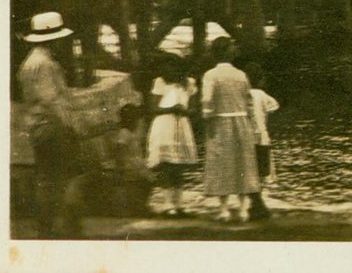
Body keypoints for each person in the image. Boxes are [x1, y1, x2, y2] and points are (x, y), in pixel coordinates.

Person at [17, 12, 84, 237]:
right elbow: (52, 100)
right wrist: (71, 126)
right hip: (52, 125)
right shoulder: (47, 64)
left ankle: (45, 227)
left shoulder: (28, 64)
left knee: (45, 177)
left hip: (36, 125)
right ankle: (66, 226)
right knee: (68, 175)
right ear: (53, 38)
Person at [201, 37, 260, 222]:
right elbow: (249, 101)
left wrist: (208, 119)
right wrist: (251, 123)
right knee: (243, 164)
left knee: (222, 163)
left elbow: (207, 100)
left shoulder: (211, 75)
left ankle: (224, 210)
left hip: (221, 122)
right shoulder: (241, 74)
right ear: (230, 52)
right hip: (241, 122)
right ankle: (243, 209)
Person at [146, 54, 199, 216]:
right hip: (164, 125)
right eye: (163, 66)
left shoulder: (189, 83)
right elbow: (153, 108)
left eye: (170, 66)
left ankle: (179, 204)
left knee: (178, 166)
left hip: (181, 125)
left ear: (178, 68)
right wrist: (172, 109)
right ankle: (168, 205)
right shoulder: (160, 82)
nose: (166, 70)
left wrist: (186, 111)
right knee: (166, 165)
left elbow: (194, 109)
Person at [243, 62, 279, 221]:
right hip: (261, 136)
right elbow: (272, 109)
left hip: (246, 136)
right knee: (261, 171)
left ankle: (253, 203)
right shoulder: (262, 95)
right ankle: (257, 203)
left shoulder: (243, 94)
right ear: (261, 79)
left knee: (249, 170)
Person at [111, 103, 154, 216]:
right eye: (137, 120)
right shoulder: (125, 133)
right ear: (131, 120)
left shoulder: (131, 134)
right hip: (129, 166)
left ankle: (141, 205)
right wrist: (122, 165)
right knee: (143, 181)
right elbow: (120, 148)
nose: (139, 123)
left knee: (148, 179)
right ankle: (138, 207)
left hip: (135, 165)